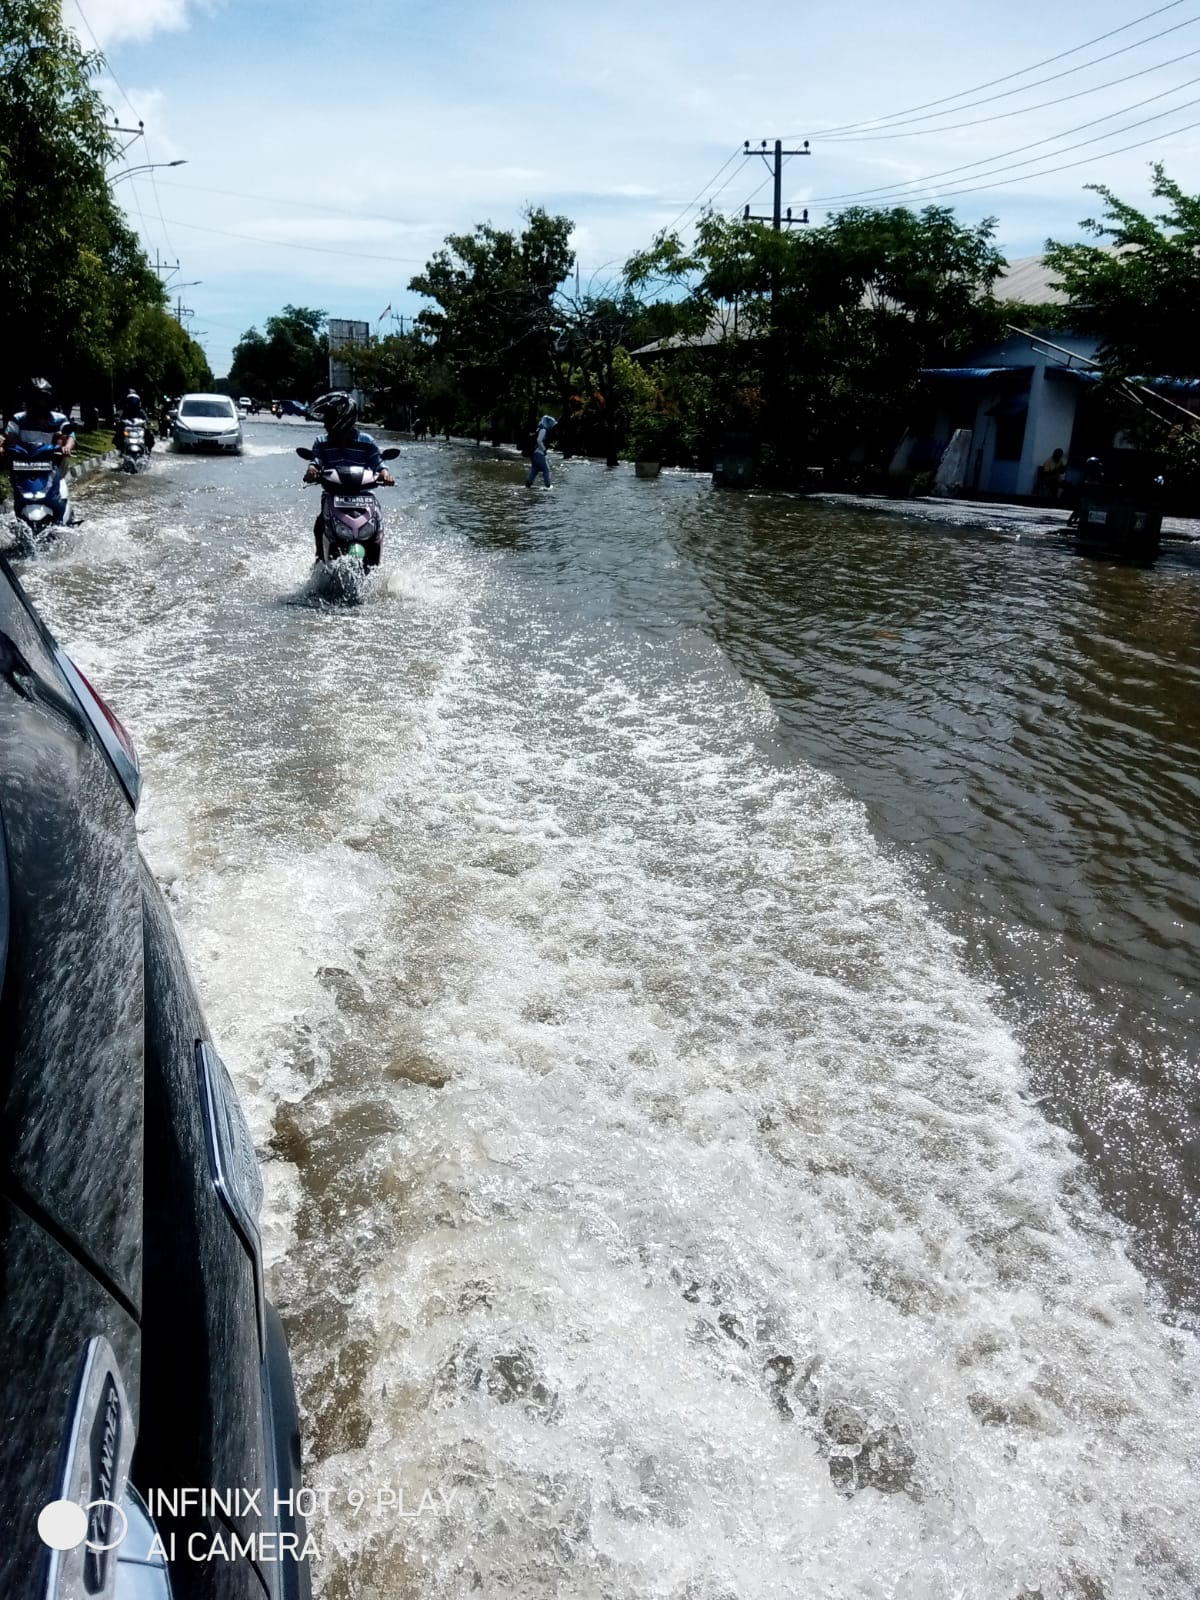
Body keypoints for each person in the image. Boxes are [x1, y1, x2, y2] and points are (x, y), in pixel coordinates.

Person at [303, 391, 394, 563]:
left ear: (343, 416)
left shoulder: (366, 441)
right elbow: (316, 460)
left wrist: (385, 474)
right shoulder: (321, 441)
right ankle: (319, 561)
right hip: (333, 496)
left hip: (364, 497)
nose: (325, 422)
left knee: (377, 527)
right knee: (319, 525)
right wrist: (312, 470)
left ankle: (376, 561)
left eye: (329, 417)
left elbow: (378, 462)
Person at [0, 377, 76, 523]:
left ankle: (63, 516)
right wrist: (4, 446)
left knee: (57, 489)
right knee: (19, 495)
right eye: (34, 399)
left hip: (51, 465)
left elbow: (70, 436)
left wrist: (67, 446)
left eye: (42, 399)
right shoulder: (18, 419)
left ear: (49, 400)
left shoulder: (59, 419)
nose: (38, 403)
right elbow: (9, 436)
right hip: (23, 467)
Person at [1066, 455, 1104, 527]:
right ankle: (1073, 520)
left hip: (1090, 493)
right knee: (1081, 506)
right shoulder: (1090, 473)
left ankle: (1075, 520)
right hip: (1086, 493)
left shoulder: (1096, 472)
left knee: (1082, 507)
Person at [526, 414, 556, 488]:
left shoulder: (539, 428)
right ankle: (548, 486)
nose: (552, 426)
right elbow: (539, 440)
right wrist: (544, 449)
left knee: (535, 470)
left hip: (534, 453)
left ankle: (528, 485)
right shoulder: (543, 429)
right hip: (538, 453)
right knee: (546, 469)